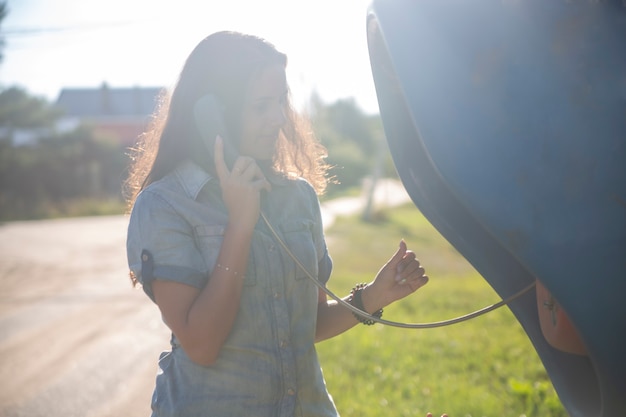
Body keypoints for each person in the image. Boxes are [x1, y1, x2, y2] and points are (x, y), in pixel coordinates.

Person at [125, 30, 430, 417]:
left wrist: (372, 297)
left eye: (281, 102)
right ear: (212, 114)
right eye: (261, 106)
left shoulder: (297, 197)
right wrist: (241, 224)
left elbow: (302, 326)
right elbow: (202, 345)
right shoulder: (165, 206)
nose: (279, 118)